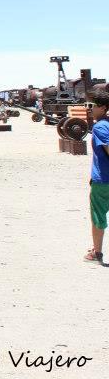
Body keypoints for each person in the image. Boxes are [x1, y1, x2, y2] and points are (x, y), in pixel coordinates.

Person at [83, 91, 109, 264]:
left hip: (103, 180)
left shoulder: (100, 127)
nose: (88, 109)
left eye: (91, 105)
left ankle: (97, 253)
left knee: (98, 216)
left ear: (103, 107)